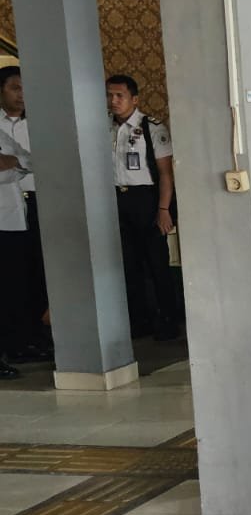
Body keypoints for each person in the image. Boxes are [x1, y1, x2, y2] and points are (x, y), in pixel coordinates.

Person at [106, 74, 182, 341]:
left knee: (157, 263)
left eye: (120, 96)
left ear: (134, 99)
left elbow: (165, 174)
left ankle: (169, 320)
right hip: (117, 198)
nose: (114, 101)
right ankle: (140, 321)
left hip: (146, 200)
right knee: (128, 264)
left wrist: (163, 209)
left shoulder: (151, 128)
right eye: (110, 95)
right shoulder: (105, 127)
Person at [0, 66, 48, 372]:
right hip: (6, 214)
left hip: (21, 211)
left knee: (25, 280)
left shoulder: (38, 121)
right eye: (15, 88)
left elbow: (28, 161)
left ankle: (23, 341)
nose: (22, 95)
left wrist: (12, 162)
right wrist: (13, 166)